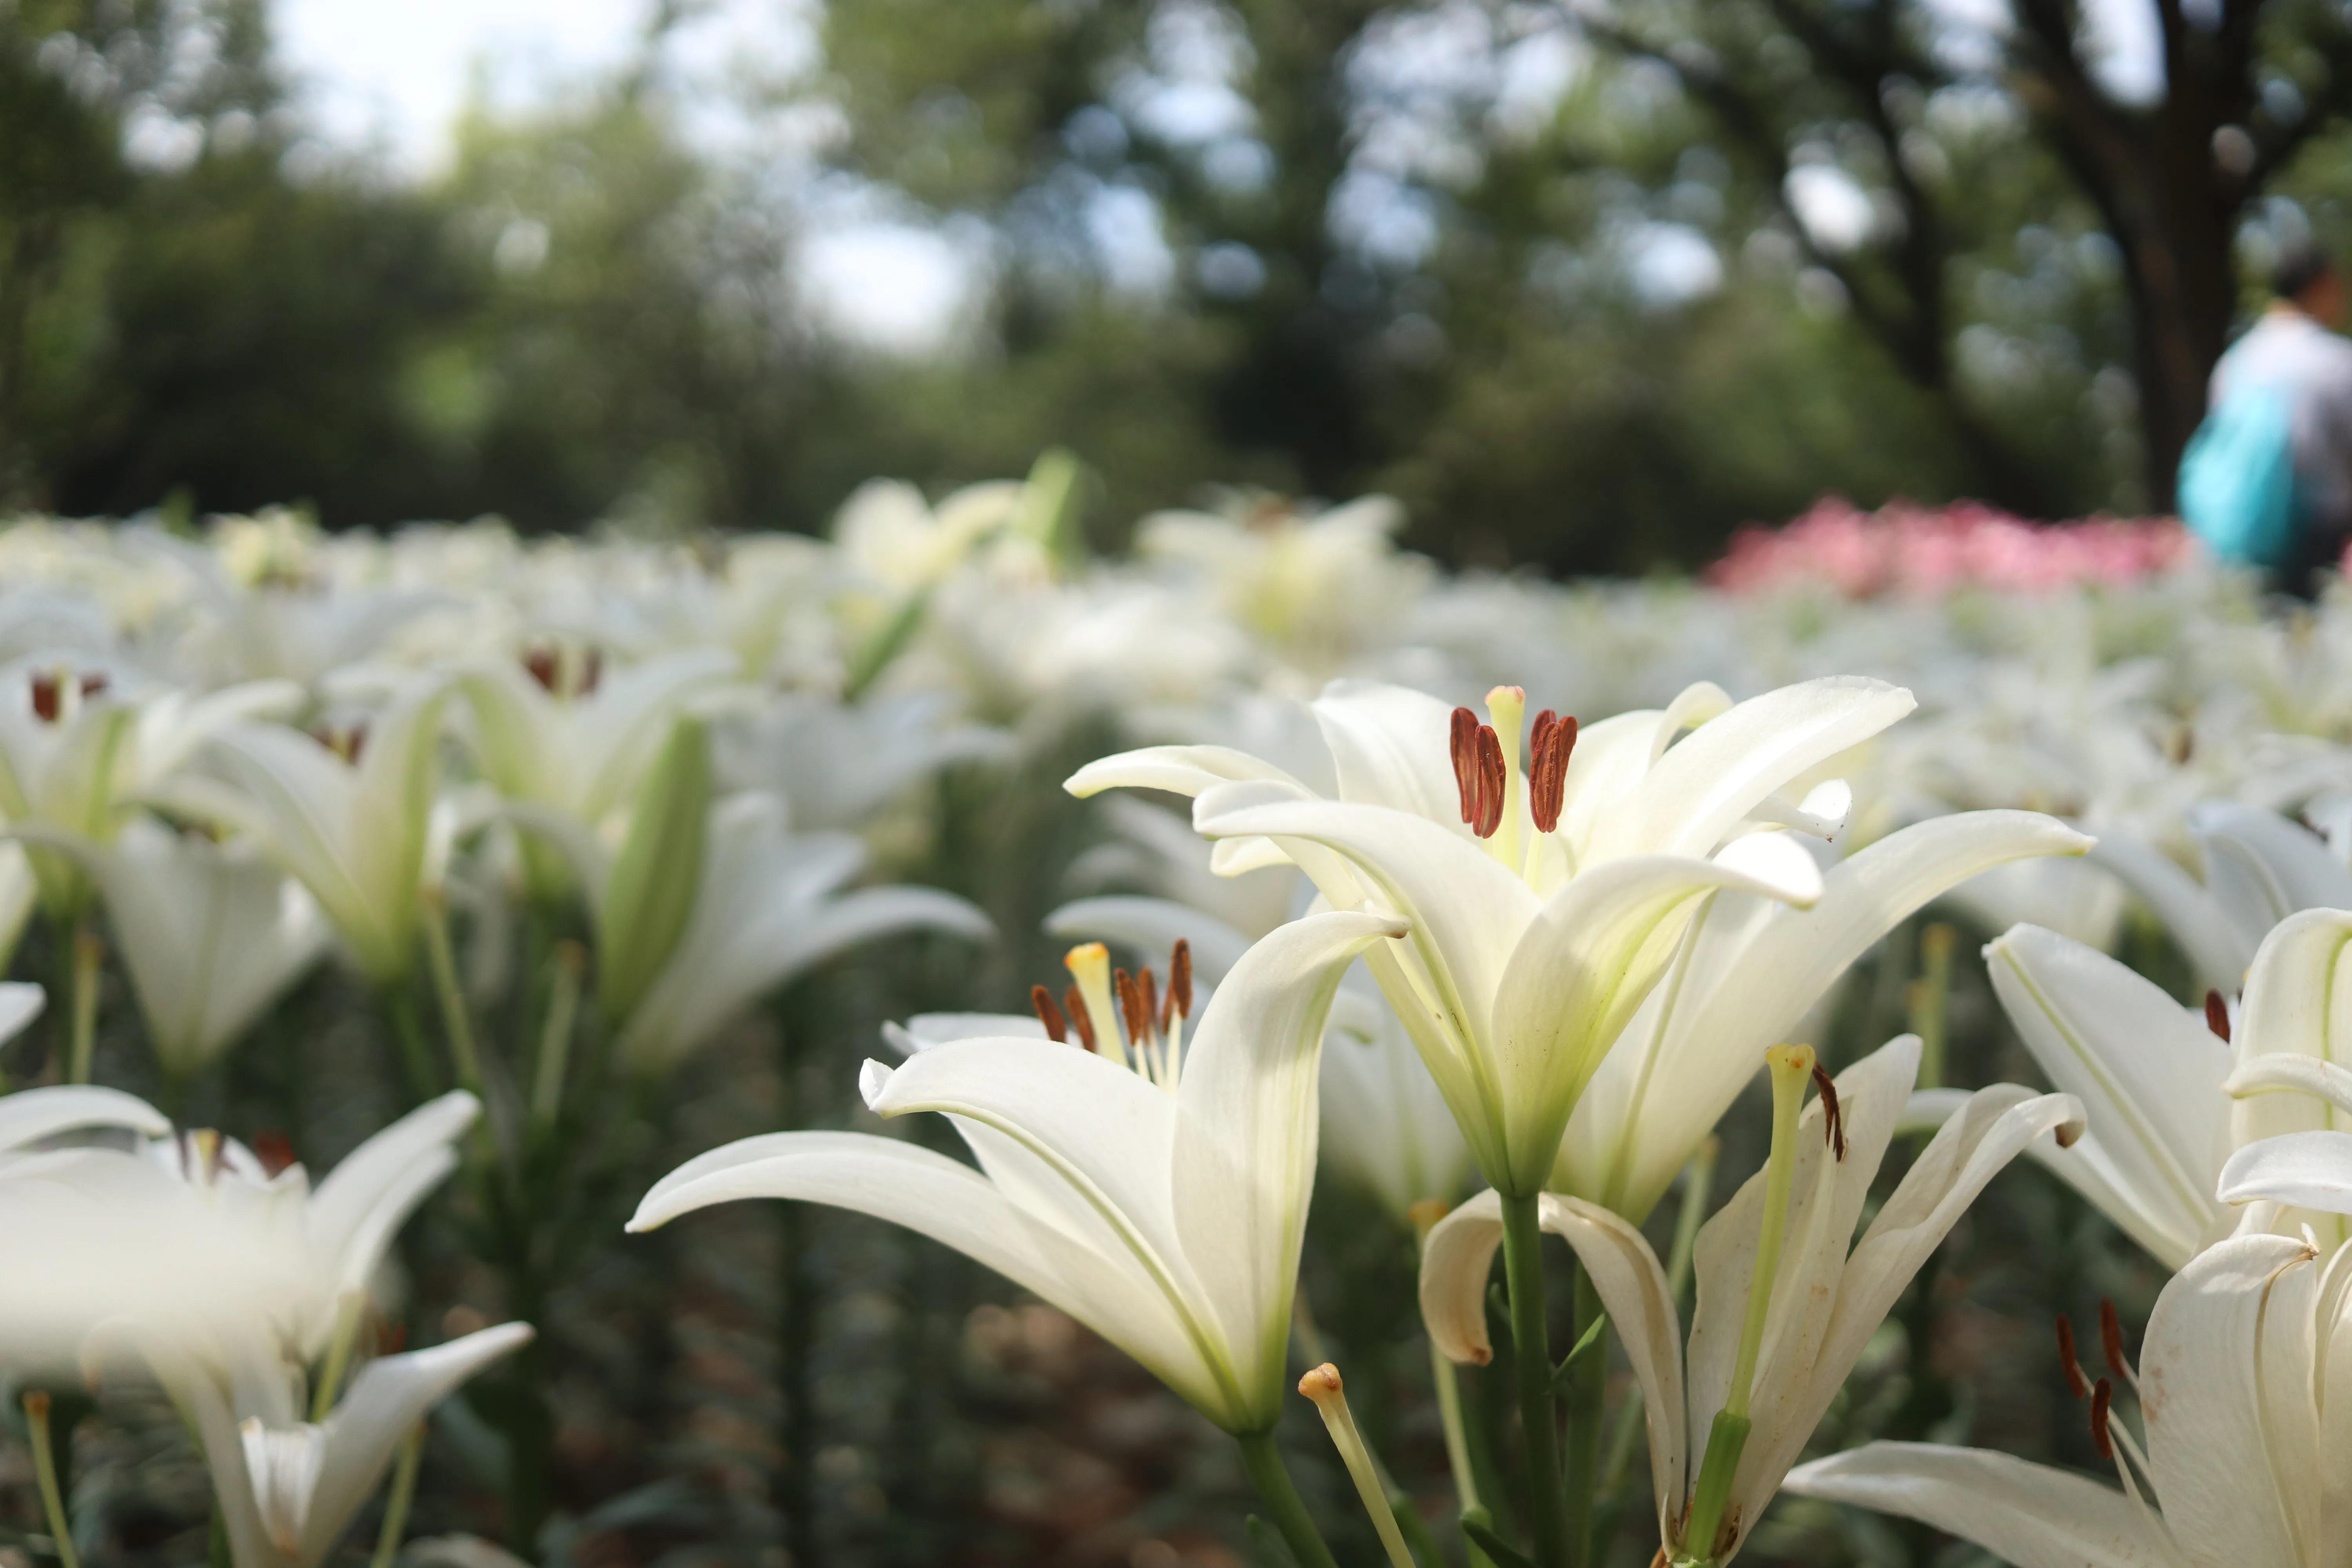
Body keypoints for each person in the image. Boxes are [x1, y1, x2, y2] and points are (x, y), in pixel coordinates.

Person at [2198, 240, 2352, 592]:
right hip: (2320, 533)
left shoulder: (2235, 361)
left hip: (2245, 530)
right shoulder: (2333, 360)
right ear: (2322, 286)